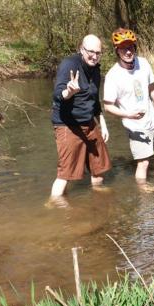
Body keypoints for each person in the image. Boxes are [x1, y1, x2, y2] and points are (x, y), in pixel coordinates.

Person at [102, 28, 154, 185]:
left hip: (152, 119)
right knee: (143, 163)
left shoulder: (143, 63)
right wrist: (128, 115)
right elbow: (108, 106)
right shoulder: (112, 76)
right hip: (135, 126)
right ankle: (143, 194)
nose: (128, 52)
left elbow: (152, 89)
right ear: (117, 50)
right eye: (123, 48)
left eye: (130, 47)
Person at [49, 34, 111, 204]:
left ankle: (98, 197)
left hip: (89, 123)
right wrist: (69, 92)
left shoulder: (96, 69)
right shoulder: (69, 65)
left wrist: (102, 123)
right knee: (65, 173)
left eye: (98, 53)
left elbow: (94, 100)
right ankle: (54, 203)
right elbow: (58, 93)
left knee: (98, 167)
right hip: (67, 124)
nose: (94, 56)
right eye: (91, 52)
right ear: (81, 49)